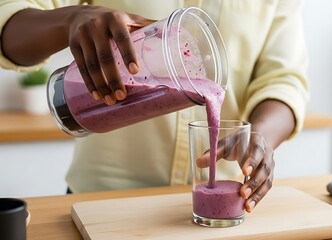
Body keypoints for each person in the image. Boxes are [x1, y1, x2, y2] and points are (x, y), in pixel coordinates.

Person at [0, 0, 309, 213]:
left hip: (219, 213)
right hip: (103, 204)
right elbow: (8, 22)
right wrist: (70, 18)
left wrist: (261, 137)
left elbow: (283, 79)